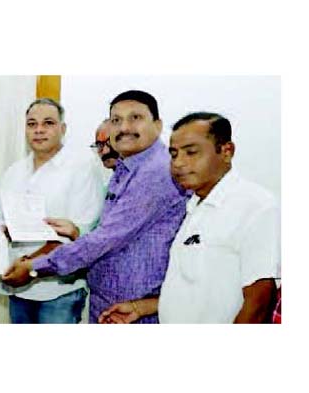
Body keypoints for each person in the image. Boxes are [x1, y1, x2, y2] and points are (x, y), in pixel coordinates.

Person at [2, 90, 188, 323]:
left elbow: (105, 238)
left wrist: (34, 267)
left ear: (158, 125)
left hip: (135, 308)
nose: (124, 127)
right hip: (113, 303)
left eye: (135, 118)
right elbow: (110, 233)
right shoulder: (126, 168)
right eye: (116, 120)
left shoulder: (155, 172)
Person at [99, 112, 279, 323]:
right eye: (174, 154)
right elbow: (199, 289)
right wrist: (141, 307)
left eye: (191, 152)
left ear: (226, 151)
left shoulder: (255, 206)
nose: (178, 163)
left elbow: (259, 303)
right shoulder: (194, 206)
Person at [0, 98, 103, 323]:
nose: (39, 130)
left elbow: (80, 233)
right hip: (18, 288)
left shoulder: (82, 167)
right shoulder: (13, 172)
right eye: (32, 124)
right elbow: (4, 224)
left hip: (59, 290)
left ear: (62, 129)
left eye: (48, 123)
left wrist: (28, 266)